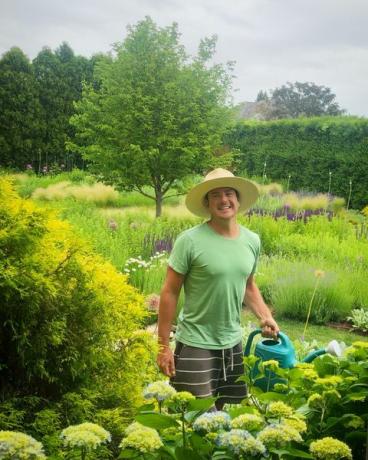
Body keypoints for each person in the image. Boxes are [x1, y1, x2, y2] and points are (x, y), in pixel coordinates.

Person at [157, 168, 279, 409]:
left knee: (224, 419)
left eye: (229, 193)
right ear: (207, 202)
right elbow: (169, 292)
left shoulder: (251, 240)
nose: (224, 200)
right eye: (216, 195)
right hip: (195, 344)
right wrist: (163, 346)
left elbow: (248, 285)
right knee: (194, 417)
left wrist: (265, 316)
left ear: (238, 199)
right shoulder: (189, 241)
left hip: (232, 345)